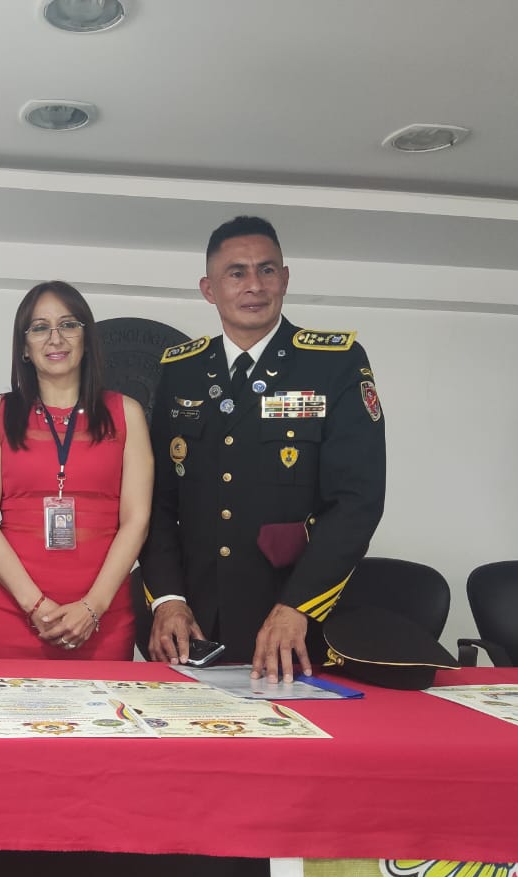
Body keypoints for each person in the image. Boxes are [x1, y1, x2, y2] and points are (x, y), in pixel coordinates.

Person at [139, 216, 386, 681]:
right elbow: (157, 502)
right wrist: (168, 600)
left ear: (285, 279)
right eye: (236, 273)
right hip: (193, 626)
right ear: (209, 289)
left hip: (295, 626)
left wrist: (298, 605)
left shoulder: (333, 364)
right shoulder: (181, 370)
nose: (254, 285)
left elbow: (356, 502)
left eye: (267, 270)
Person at [0, 281, 152, 659]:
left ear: (87, 338)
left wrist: (93, 607)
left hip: (102, 619)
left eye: (68, 324)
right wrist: (35, 606)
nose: (56, 338)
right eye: (39, 327)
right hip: (11, 616)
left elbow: (137, 520)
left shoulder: (126, 413)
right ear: (24, 346)